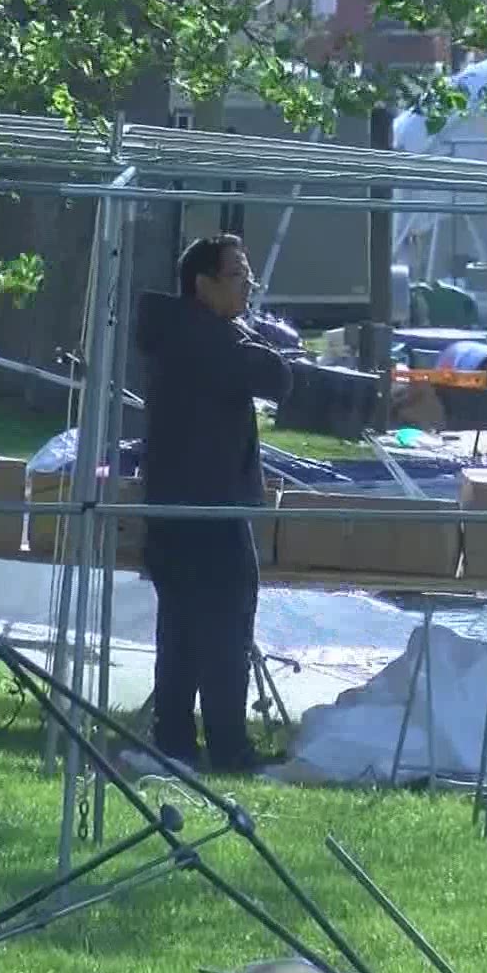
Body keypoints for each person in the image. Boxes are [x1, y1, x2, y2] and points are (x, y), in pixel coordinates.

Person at [134, 235, 293, 772]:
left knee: (180, 630)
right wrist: (261, 337)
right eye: (238, 277)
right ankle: (229, 749)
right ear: (202, 286)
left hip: (178, 505)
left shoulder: (182, 332)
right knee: (223, 630)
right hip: (208, 508)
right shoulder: (206, 339)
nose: (248, 287)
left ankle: (176, 743)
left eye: (250, 277)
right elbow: (276, 377)